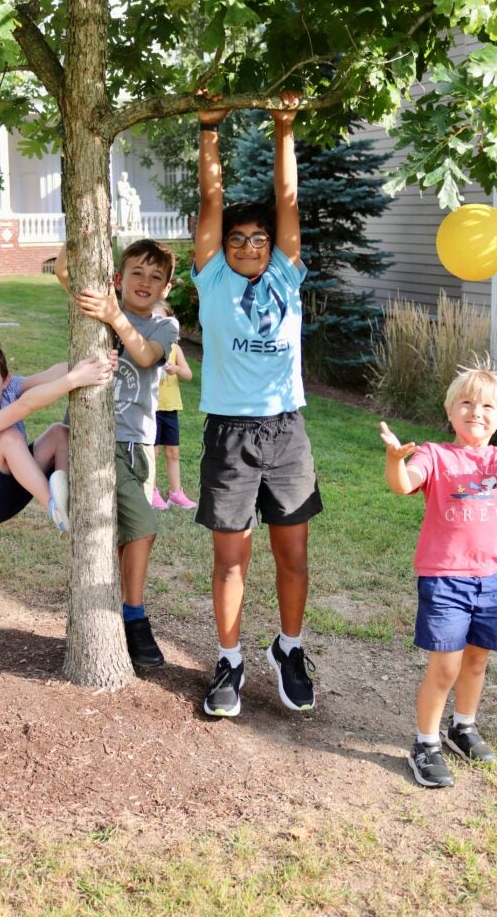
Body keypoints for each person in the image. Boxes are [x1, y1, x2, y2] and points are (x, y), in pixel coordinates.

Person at [192, 91, 323, 718]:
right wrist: (209, 130)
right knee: (230, 559)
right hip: (230, 434)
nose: (248, 245)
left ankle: (289, 650)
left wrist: (285, 129)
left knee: (292, 554)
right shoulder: (212, 279)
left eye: (259, 238)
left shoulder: (285, 277)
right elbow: (211, 201)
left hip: (286, 430)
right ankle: (230, 660)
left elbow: (289, 202)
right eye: (238, 239)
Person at [380, 363, 497, 788]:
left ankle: (463, 727)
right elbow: (405, 484)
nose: (475, 411)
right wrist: (394, 461)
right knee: (445, 668)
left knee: (476, 663)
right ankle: (425, 743)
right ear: (450, 412)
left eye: (487, 406)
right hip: (445, 578)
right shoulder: (435, 455)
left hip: (495, 579)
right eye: (466, 403)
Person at [60, 239, 179, 668]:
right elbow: (64, 274)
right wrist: (79, 233)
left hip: (138, 446)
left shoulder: (165, 326)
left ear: (166, 287)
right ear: (118, 277)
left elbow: (146, 357)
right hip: (96, 441)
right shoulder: (100, 309)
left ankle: (119, 610)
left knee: (131, 531)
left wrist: (115, 316)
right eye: (137, 273)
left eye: (156, 277)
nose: (145, 282)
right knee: (139, 527)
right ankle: (134, 615)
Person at [0, 338, 115, 532]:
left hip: (12, 491)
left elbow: (51, 374)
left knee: (59, 433)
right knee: (7, 437)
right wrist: (74, 380)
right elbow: (26, 404)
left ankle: (68, 502)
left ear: (5, 380)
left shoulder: (9, 389)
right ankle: (55, 509)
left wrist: (97, 365)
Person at [151, 300, 197, 511]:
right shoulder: (146, 346)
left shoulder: (175, 348)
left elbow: (188, 374)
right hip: (151, 408)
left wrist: (176, 369)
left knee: (173, 452)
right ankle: (151, 491)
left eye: (162, 319)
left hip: (170, 409)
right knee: (154, 452)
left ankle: (175, 493)